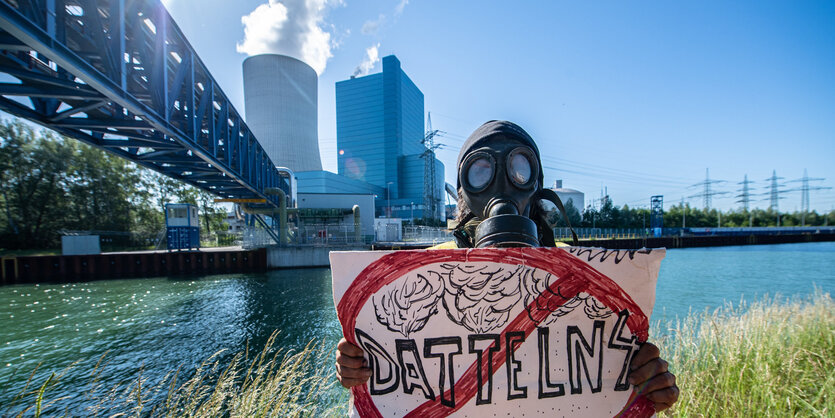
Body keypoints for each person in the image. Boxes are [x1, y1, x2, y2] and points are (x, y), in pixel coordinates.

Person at [335, 120, 679, 412]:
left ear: (536, 185)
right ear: (463, 193)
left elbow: (609, 362)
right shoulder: (424, 272)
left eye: (518, 169)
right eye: (481, 171)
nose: (501, 186)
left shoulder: (584, 270)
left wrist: (646, 384)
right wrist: (358, 364)